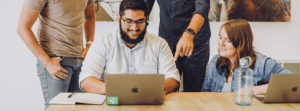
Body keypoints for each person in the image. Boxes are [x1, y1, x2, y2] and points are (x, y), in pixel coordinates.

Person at [79, 0, 180, 95]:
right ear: (119, 19)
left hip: (148, 103)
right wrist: (121, 91)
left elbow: (173, 78)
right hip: (113, 103)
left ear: (146, 19)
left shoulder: (160, 44)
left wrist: (154, 90)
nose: (134, 28)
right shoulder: (103, 43)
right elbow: (86, 80)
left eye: (140, 21)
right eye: (128, 21)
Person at [17, 0, 95, 109]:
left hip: (80, 58)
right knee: (56, 108)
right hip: (56, 61)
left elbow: (90, 16)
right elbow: (22, 27)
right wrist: (47, 62)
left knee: (80, 108)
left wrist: (89, 43)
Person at [201, 19, 292, 94]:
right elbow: (205, 94)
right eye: (220, 37)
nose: (221, 43)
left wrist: (256, 89)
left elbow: (291, 83)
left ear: (241, 43)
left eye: (228, 40)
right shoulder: (215, 61)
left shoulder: (263, 64)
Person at [144, 0, 211, 92]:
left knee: (193, 93)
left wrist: (189, 34)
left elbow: (202, 7)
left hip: (195, 43)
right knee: (166, 90)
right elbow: (142, 7)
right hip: (167, 42)